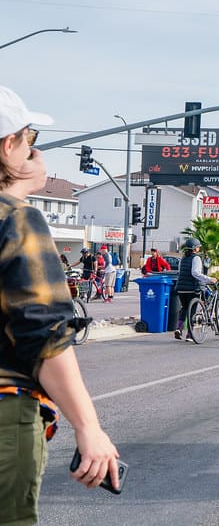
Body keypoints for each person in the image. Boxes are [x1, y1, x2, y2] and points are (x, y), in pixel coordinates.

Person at [0, 86, 120, 521]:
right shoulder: (15, 220)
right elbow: (45, 335)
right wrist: (89, 428)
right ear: (9, 145)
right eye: (28, 139)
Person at [173, 238, 217, 340]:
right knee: (192, 310)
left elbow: (180, 272)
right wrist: (209, 279)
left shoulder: (183, 258)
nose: (199, 249)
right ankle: (189, 334)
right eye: (198, 247)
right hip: (192, 288)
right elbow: (195, 273)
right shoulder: (196, 258)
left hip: (181, 288)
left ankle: (179, 328)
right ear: (195, 248)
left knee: (184, 308)